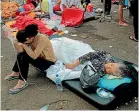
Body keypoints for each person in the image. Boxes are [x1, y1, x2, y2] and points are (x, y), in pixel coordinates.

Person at [5, 24, 56, 94]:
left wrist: (24, 46)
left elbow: (34, 56)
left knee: (25, 57)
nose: (25, 43)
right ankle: (16, 72)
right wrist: (13, 40)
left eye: (25, 42)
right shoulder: (29, 36)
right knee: (21, 55)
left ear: (29, 38)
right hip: (39, 58)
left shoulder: (42, 39)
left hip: (47, 62)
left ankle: (22, 82)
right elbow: (20, 51)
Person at [65, 51, 131, 78]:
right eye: (112, 65)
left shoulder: (100, 73)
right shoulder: (108, 58)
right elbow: (90, 55)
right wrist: (73, 65)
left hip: (83, 64)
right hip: (81, 58)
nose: (108, 66)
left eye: (110, 70)